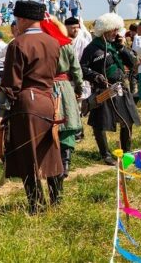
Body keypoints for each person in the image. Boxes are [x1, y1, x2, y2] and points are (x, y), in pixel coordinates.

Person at [0, 0, 63, 214]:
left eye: (16, 19)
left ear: (22, 19)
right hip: (49, 101)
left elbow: (11, 83)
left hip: (26, 103)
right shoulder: (53, 42)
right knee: (50, 151)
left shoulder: (18, 44)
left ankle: (36, 205)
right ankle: (56, 201)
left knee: (27, 155)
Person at [80, 13, 140, 166]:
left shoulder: (117, 45)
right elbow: (83, 68)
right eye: (113, 30)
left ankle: (126, 152)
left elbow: (132, 63)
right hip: (103, 90)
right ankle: (105, 154)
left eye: (116, 30)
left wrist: (122, 47)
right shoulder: (92, 48)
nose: (116, 33)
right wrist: (95, 76)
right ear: (104, 30)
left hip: (121, 88)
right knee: (100, 124)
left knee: (127, 121)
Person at [53, 18, 84, 179]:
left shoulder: (42, 44)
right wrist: (78, 88)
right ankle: (65, 163)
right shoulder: (66, 44)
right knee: (67, 123)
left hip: (44, 88)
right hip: (64, 87)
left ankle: (57, 163)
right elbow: (76, 70)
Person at [65, 17, 92, 142]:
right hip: (66, 78)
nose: (75, 30)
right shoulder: (63, 41)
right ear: (66, 28)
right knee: (68, 106)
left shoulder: (83, 42)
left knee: (78, 107)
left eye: (77, 27)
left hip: (78, 77)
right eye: (73, 28)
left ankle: (78, 132)